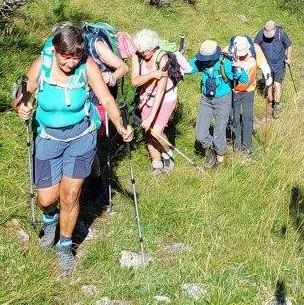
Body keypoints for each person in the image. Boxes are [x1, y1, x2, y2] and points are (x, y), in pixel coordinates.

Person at [15, 22, 134, 273]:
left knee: (70, 195)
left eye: (75, 56)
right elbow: (24, 92)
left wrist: (121, 126)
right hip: (48, 137)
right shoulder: (42, 65)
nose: (70, 63)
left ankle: (65, 245)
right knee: (47, 198)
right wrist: (22, 106)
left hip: (81, 136)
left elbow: (106, 99)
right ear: (56, 50)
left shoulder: (87, 67)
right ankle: (50, 220)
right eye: (65, 56)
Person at [131, 28, 190, 174]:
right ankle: (156, 162)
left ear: (153, 47)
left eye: (145, 51)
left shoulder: (162, 58)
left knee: (156, 131)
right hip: (146, 96)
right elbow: (134, 82)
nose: (142, 54)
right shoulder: (137, 56)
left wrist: (151, 116)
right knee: (148, 131)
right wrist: (152, 74)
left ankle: (167, 153)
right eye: (140, 51)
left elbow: (161, 91)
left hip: (165, 97)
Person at [189, 39, 246, 169]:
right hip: (206, 100)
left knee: (219, 132)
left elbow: (244, 79)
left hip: (223, 100)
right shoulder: (200, 61)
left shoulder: (225, 62)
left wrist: (238, 68)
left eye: (208, 58)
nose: (205, 60)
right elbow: (187, 68)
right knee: (200, 133)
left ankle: (220, 162)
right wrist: (177, 61)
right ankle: (211, 150)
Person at [227, 35, 270, 155]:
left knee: (247, 117)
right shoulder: (228, 50)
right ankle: (236, 143)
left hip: (249, 89)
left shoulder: (255, 49)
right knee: (234, 117)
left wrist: (268, 77)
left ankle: (247, 146)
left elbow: (263, 65)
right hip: (232, 90)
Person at [254, 20, 293, 119]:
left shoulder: (281, 34)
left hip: (279, 64)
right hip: (266, 65)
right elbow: (256, 45)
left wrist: (289, 58)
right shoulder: (261, 34)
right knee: (269, 84)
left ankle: (277, 106)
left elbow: (289, 45)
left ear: (274, 29)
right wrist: (259, 58)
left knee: (277, 84)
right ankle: (270, 100)